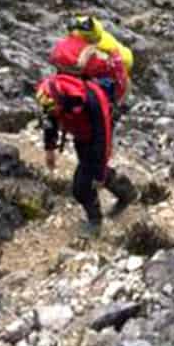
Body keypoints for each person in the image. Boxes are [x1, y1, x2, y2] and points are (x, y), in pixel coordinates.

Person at [36, 66, 137, 237]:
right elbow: (50, 120)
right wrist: (49, 148)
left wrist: (99, 172)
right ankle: (127, 193)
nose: (52, 113)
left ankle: (95, 223)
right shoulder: (52, 96)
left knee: (81, 186)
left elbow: (102, 137)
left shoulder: (90, 100)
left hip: (95, 134)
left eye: (55, 110)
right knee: (89, 167)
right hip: (81, 134)